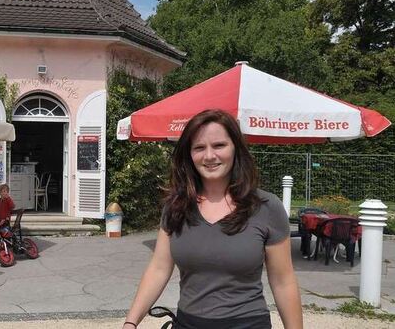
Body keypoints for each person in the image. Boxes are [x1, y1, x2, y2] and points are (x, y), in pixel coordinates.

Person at [123, 110, 302, 329]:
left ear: (235, 148)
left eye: (219, 146)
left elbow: (283, 282)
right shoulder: (176, 206)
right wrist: (131, 322)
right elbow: (159, 269)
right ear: (189, 154)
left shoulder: (266, 207)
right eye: (199, 148)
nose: (209, 156)